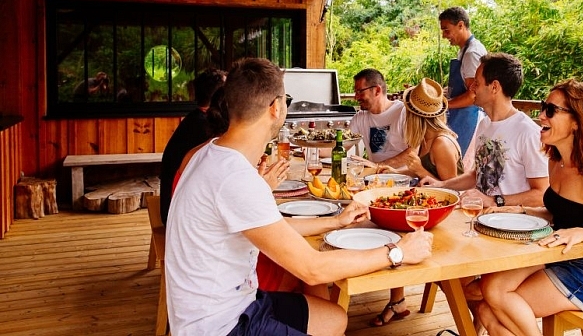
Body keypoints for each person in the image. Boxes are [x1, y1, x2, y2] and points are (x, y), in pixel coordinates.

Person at [165, 57, 433, 336]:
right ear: (276, 108)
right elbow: (312, 269)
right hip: (220, 326)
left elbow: (274, 228)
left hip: (236, 304)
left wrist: (336, 222)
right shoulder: (235, 176)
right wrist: (398, 252)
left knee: (334, 318)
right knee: (316, 291)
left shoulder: (212, 153)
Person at [476, 79, 583, 336]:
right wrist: (524, 211)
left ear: (578, 121)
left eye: (551, 110)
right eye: (543, 107)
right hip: (556, 255)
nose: (541, 115)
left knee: (491, 308)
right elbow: (563, 215)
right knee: (486, 303)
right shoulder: (555, 162)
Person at [373, 77, 464, 327]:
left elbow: (453, 194)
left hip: (449, 220)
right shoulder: (425, 139)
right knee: (389, 228)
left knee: (393, 232)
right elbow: (417, 173)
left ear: (416, 116)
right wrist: (391, 175)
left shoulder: (442, 143)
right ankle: (397, 301)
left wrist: (421, 173)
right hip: (425, 210)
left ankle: (398, 301)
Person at [421, 53, 548, 209]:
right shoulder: (484, 124)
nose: (472, 88)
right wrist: (441, 185)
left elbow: (542, 194)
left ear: (494, 87)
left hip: (511, 225)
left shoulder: (528, 132)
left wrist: (495, 201)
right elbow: (477, 175)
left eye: (476, 82)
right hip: (481, 219)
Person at [159, 68, 228, 225]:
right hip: (176, 214)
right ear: (220, 95)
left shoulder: (197, 119)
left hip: (175, 205)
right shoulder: (205, 128)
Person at [439, 6, 488, 156]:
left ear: (461, 25)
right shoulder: (464, 50)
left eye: (446, 30)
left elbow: (474, 96)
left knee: (459, 166)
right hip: (460, 115)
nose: (444, 35)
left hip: (469, 119)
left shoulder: (472, 53)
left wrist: (443, 106)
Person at [349, 68, 412, 168]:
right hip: (374, 179)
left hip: (404, 180)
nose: (356, 97)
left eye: (360, 91)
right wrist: (316, 145)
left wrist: (378, 166)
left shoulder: (403, 112)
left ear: (377, 90)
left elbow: (413, 153)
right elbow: (341, 144)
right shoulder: (359, 117)